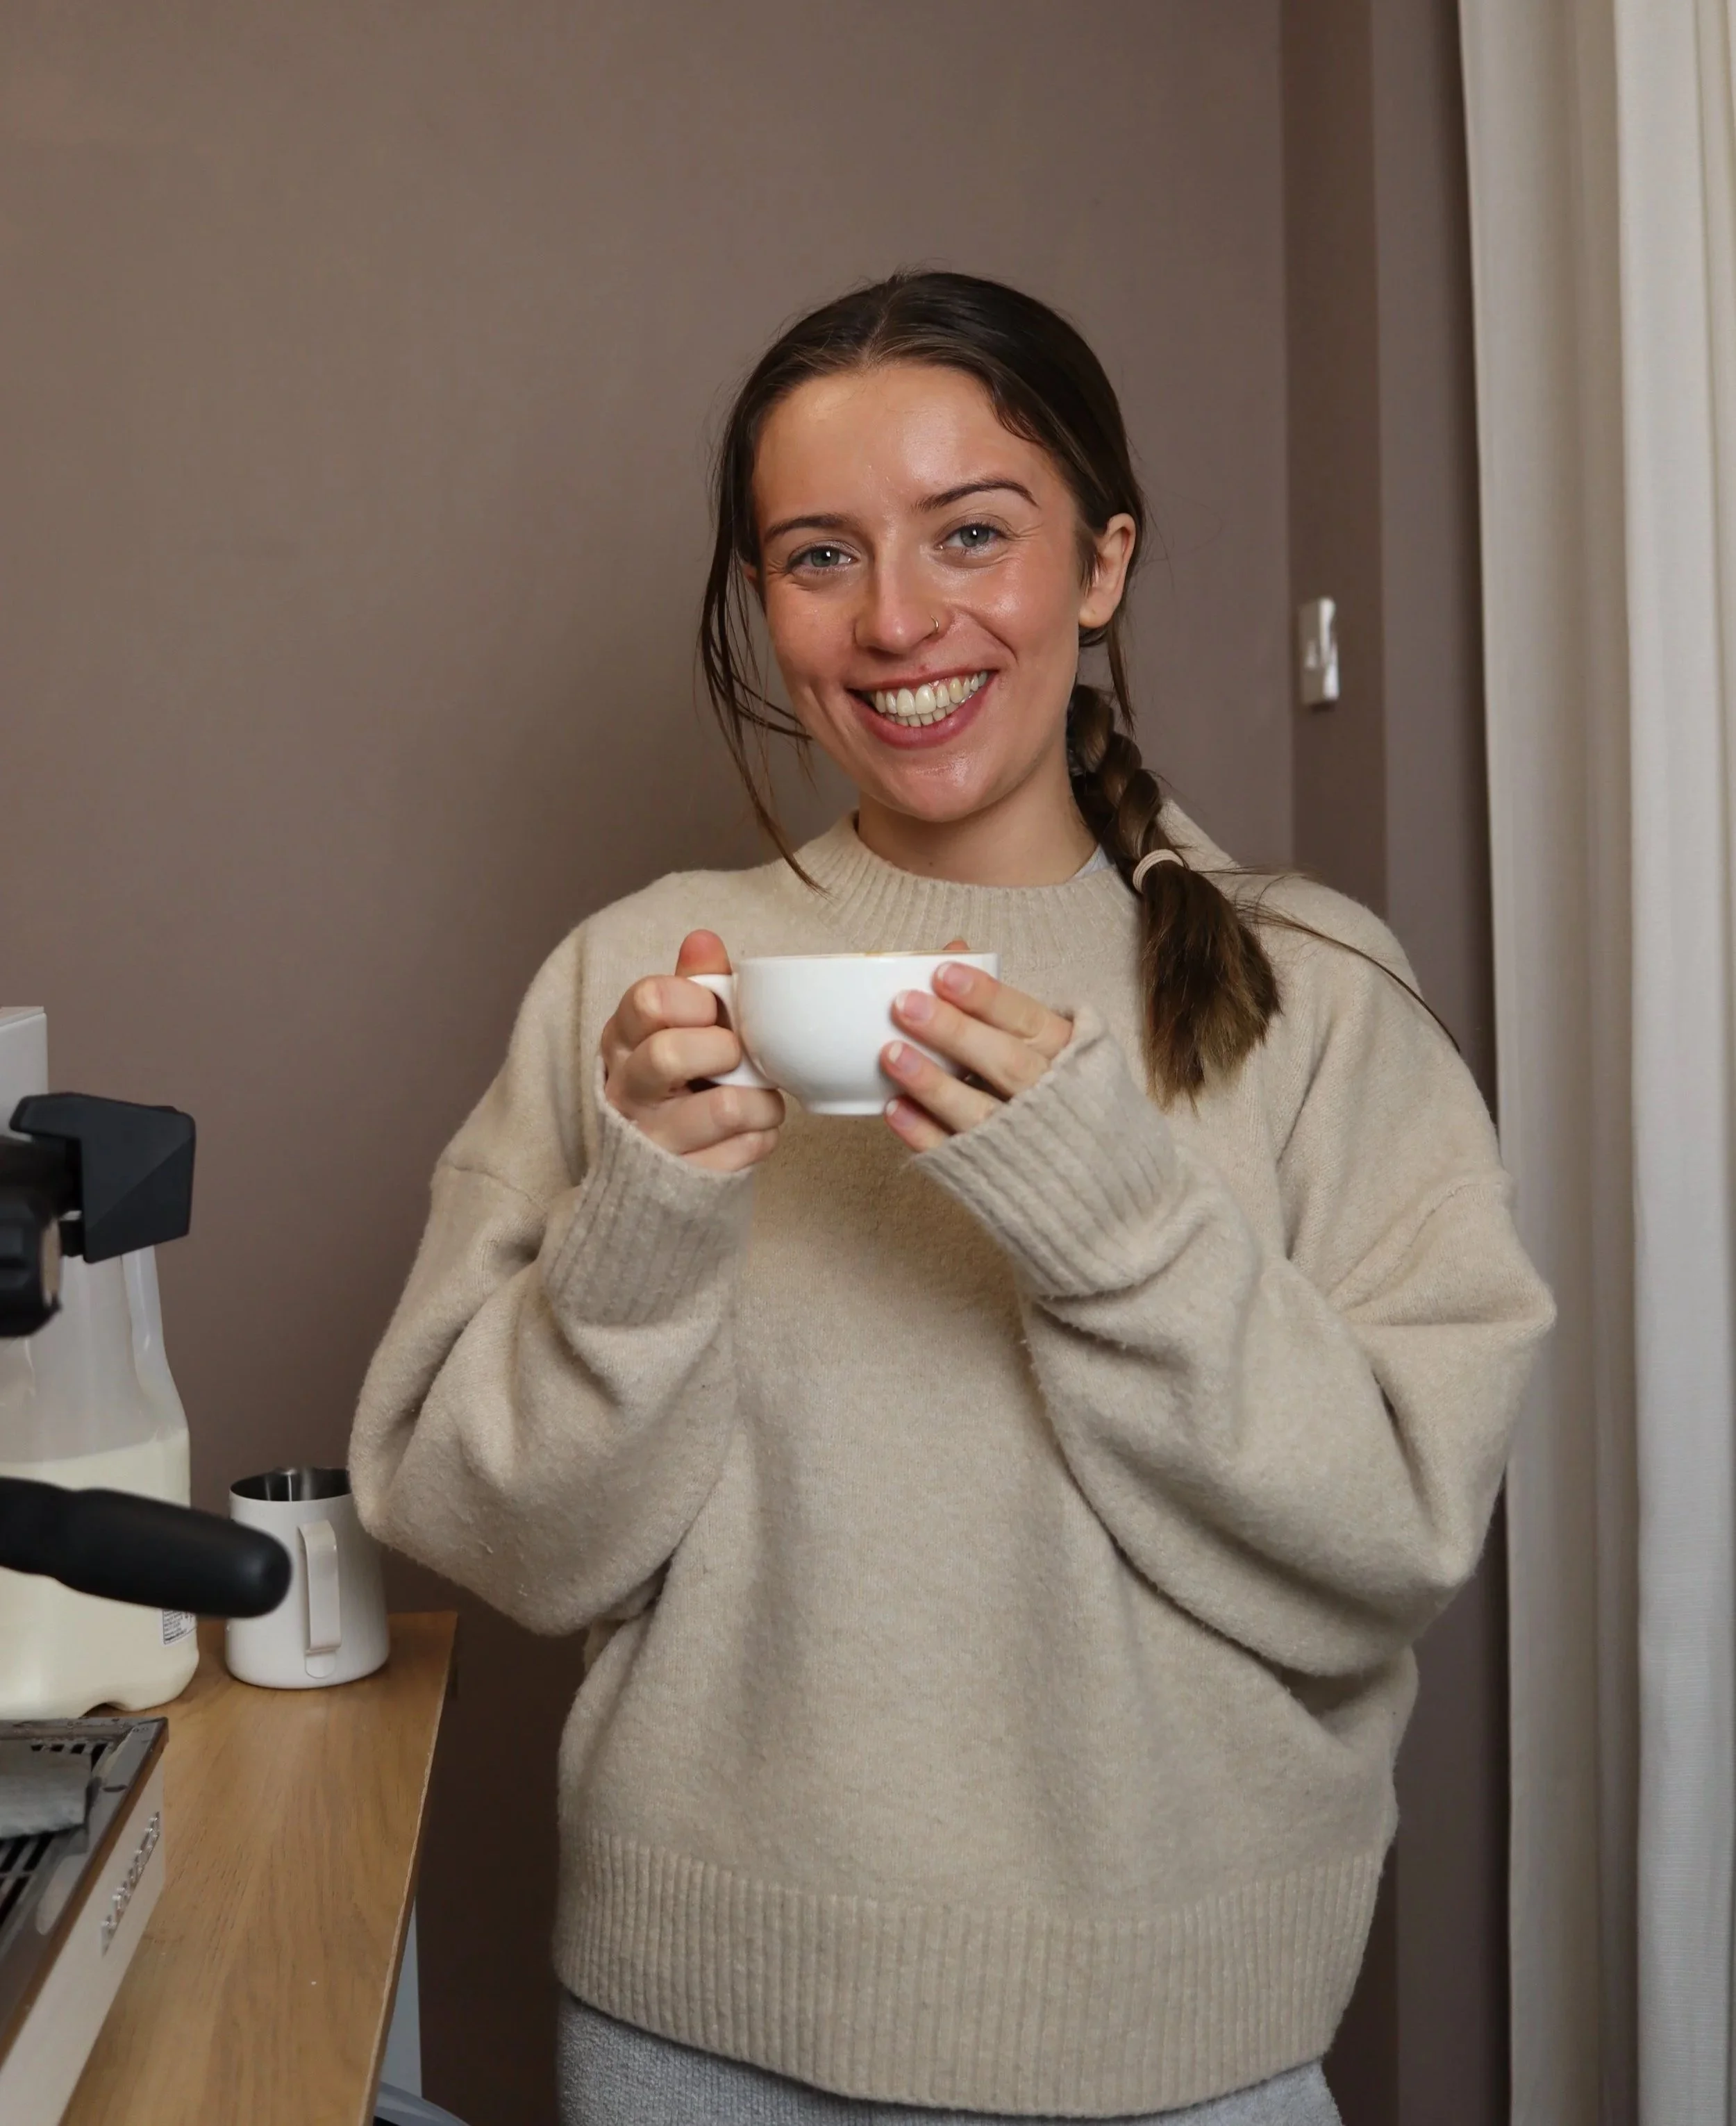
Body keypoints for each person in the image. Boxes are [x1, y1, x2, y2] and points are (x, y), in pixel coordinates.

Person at [349, 270, 1554, 2125]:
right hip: (699, 2032)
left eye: (969, 534)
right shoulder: (634, 980)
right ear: (762, 602)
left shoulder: (1312, 987)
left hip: (1187, 2047)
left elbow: (1388, 1540)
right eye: (817, 557)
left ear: (1099, 563)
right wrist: (646, 1221)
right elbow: (498, 1536)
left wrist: (1104, 1218)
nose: (896, 619)